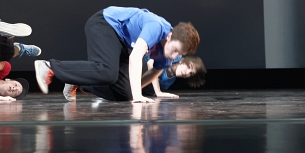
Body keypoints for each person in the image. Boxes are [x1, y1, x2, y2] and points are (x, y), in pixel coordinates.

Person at [34, 7, 199, 103]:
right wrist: (138, 96)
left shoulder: (169, 56)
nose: (174, 56)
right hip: (106, 24)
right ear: (170, 36)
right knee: (107, 71)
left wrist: (133, 92)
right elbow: (135, 57)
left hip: (123, 43)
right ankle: (49, 66)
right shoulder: (157, 27)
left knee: (125, 95)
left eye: (179, 54)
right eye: (175, 50)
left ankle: (79, 81)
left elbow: (154, 72)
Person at [63, 54, 207, 102]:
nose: (187, 72)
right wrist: (158, 92)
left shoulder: (171, 80)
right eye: (189, 67)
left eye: (191, 74)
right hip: (139, 66)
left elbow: (148, 89)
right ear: (183, 61)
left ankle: (83, 83)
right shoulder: (174, 57)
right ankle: (76, 76)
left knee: (123, 94)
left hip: (140, 81)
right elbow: (151, 64)